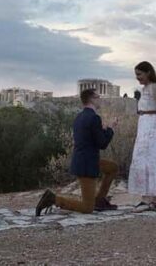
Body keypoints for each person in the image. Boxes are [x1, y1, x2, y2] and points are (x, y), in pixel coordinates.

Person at [35, 88, 119, 216]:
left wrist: (103, 130)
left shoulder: (80, 117)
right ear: (91, 99)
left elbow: (90, 138)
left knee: (112, 168)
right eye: (98, 97)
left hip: (84, 159)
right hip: (87, 164)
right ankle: (53, 199)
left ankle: (100, 200)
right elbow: (102, 144)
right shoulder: (94, 118)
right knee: (87, 208)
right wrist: (111, 129)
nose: (100, 99)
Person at [128, 61, 156, 212]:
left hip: (153, 127)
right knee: (145, 159)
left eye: (139, 74)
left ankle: (149, 199)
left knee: (150, 159)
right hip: (145, 125)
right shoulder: (145, 88)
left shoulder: (155, 87)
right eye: (136, 75)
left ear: (148, 73)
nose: (137, 78)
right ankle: (153, 199)